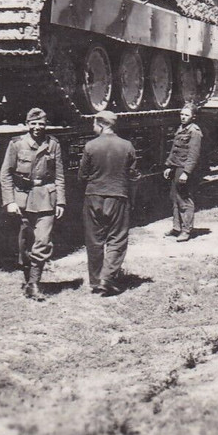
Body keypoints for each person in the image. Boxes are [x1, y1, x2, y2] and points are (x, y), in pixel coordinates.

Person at [0, 108, 66, 299]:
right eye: (33, 124)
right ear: (27, 124)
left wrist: (60, 202)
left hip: (46, 198)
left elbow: (59, 175)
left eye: (41, 124)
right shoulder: (17, 144)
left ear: (46, 125)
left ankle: (35, 284)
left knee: (42, 241)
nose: (37, 127)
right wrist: (9, 201)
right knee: (25, 243)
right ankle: (29, 281)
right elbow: (6, 174)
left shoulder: (53, 144)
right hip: (23, 198)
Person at [78, 110, 138, 297]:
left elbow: (82, 175)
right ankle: (108, 278)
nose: (93, 126)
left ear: (101, 124)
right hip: (118, 196)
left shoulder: (90, 146)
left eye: (94, 123)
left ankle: (96, 282)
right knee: (117, 239)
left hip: (93, 196)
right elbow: (133, 176)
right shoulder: (127, 146)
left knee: (94, 240)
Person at [164, 104, 203, 242]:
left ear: (193, 117)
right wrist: (169, 165)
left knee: (184, 199)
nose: (183, 117)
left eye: (186, 115)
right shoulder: (181, 128)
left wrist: (186, 172)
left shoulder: (194, 131)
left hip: (184, 168)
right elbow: (174, 149)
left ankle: (186, 230)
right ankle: (177, 228)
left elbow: (193, 155)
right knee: (175, 197)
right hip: (176, 167)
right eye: (182, 114)